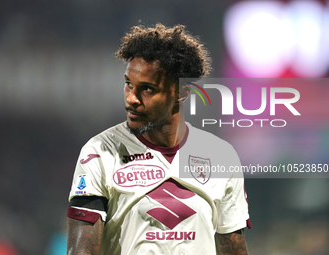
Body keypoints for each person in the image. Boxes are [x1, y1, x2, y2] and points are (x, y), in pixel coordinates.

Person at [67, 23, 250, 255]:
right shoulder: (100, 152)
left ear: (181, 92)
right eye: (128, 84)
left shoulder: (221, 155)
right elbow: (80, 251)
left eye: (148, 89)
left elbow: (234, 251)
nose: (132, 98)